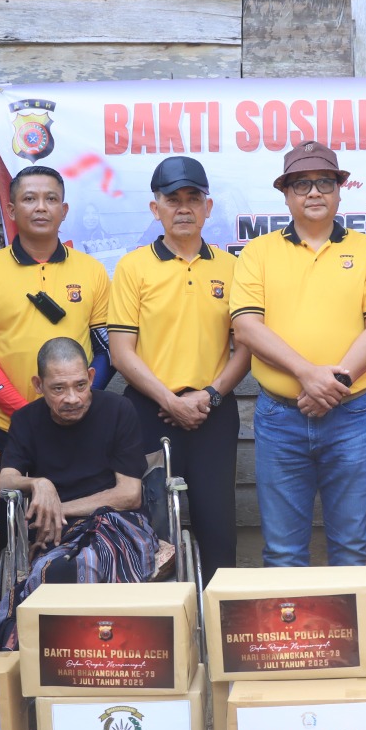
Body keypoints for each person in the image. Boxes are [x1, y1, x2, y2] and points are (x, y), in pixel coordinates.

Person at [229, 142, 366, 567]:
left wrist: (333, 386)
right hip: (279, 418)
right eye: (302, 184)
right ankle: (292, 617)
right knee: (283, 553)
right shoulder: (258, 252)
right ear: (286, 195)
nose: (315, 192)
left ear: (339, 191)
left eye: (325, 182)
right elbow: (246, 326)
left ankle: (351, 618)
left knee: (353, 548)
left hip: (352, 416)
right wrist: (309, 374)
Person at [108, 156, 250, 580]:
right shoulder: (133, 267)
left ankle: (217, 618)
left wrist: (210, 395)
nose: (183, 208)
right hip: (149, 412)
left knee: (218, 529)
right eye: (173, 199)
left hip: (213, 412)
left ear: (208, 207)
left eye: (193, 198)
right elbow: (121, 352)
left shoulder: (233, 268)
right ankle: (159, 619)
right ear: (156, 209)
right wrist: (170, 400)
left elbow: (245, 347)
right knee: (151, 531)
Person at [0, 338, 158, 648]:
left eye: (80, 385)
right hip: (54, 534)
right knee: (56, 568)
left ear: (91, 377)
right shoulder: (26, 420)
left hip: (117, 524)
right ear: (39, 385)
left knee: (80, 564)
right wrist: (38, 484)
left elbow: (130, 494)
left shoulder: (118, 410)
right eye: (58, 389)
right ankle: (61, 654)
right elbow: (5, 481)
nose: (72, 398)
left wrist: (58, 508)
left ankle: (92, 651)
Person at [0, 166, 111, 452]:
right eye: (29, 199)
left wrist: (74, 403)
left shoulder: (93, 271)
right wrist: (25, 414)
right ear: (11, 210)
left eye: (51, 199)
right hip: (4, 426)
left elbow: (106, 349)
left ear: (64, 210)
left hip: (77, 424)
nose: (41, 207)